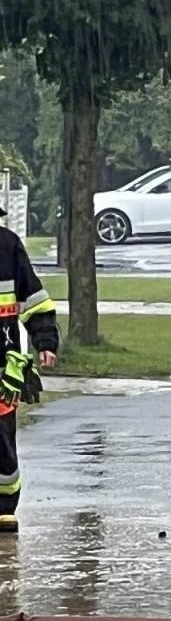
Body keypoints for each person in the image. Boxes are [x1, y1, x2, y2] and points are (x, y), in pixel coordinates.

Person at [0, 211, 58, 534]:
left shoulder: (7, 246)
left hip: (3, 370)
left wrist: (45, 340)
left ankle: (3, 508)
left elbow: (34, 301)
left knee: (1, 438)